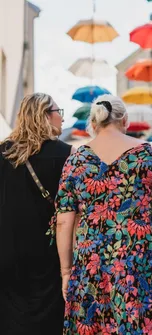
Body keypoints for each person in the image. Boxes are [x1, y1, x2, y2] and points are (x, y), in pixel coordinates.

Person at [55, 94, 152, 335]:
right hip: (137, 257)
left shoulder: (76, 160)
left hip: (90, 262)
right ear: (125, 120)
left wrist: (66, 272)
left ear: (93, 122)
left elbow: (63, 222)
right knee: (144, 325)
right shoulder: (151, 153)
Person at [0, 93, 74, 335]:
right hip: (51, 253)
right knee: (51, 320)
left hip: (8, 253)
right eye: (58, 111)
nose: (61, 118)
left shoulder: (3, 153)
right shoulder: (67, 154)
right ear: (44, 116)